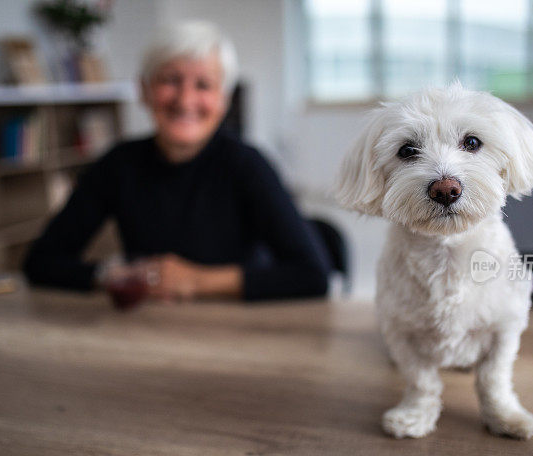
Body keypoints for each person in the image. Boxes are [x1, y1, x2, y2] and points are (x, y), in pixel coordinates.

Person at [23, 21, 329, 301]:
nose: (185, 101)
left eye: (203, 85)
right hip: (149, 329)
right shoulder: (117, 165)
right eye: (170, 80)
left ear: (223, 99)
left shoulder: (248, 165)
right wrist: (109, 274)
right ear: (144, 90)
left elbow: (313, 275)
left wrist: (197, 281)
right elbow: (40, 261)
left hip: (237, 332)